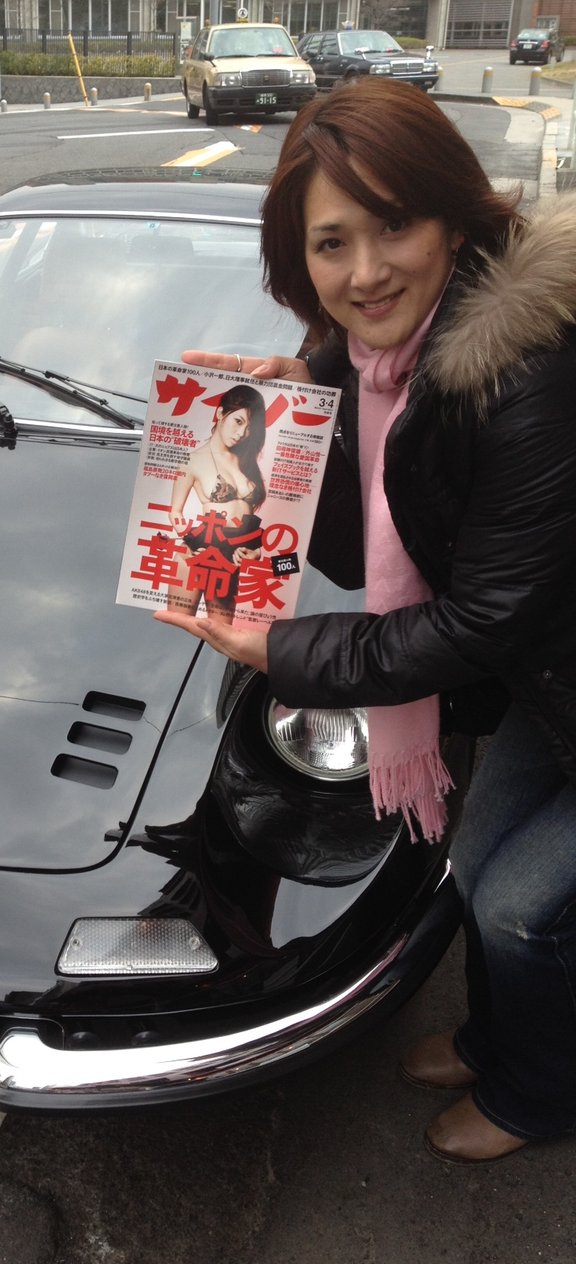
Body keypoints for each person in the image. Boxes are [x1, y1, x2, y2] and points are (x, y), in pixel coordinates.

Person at [156, 77, 576, 1164]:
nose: (367, 271)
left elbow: (479, 620)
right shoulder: (376, 359)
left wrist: (284, 649)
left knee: (522, 906)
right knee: (476, 866)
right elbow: (353, 552)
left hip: (537, 655)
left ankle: (539, 1092)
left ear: (454, 219)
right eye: (332, 243)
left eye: (395, 226)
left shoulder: (527, 372)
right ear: (300, 259)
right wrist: (303, 419)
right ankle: (497, 1040)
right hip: (553, 678)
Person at [166, 383, 266, 621]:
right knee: (180, 624)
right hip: (199, 552)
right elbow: (175, 512)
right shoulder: (192, 460)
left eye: (249, 427)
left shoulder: (247, 461)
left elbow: (248, 519)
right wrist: (192, 543)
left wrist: (256, 551)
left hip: (231, 558)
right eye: (238, 421)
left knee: (221, 633)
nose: (241, 434)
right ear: (220, 413)